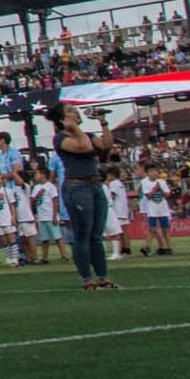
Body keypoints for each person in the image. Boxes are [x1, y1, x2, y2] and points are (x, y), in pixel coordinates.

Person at [50, 102, 119, 290]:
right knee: (83, 234)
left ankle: (103, 278)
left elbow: (106, 145)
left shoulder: (87, 135)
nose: (76, 112)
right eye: (70, 111)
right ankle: (87, 279)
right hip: (77, 188)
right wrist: (75, 129)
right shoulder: (60, 138)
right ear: (62, 119)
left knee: (96, 235)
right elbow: (84, 148)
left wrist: (103, 123)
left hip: (94, 185)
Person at [137, 168, 175, 256]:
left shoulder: (162, 181)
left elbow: (167, 195)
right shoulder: (145, 182)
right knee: (151, 228)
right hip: (152, 209)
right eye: (151, 171)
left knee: (165, 229)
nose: (154, 173)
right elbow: (148, 196)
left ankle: (168, 247)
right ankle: (147, 247)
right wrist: (155, 188)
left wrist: (160, 188)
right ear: (147, 173)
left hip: (163, 208)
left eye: (155, 171)